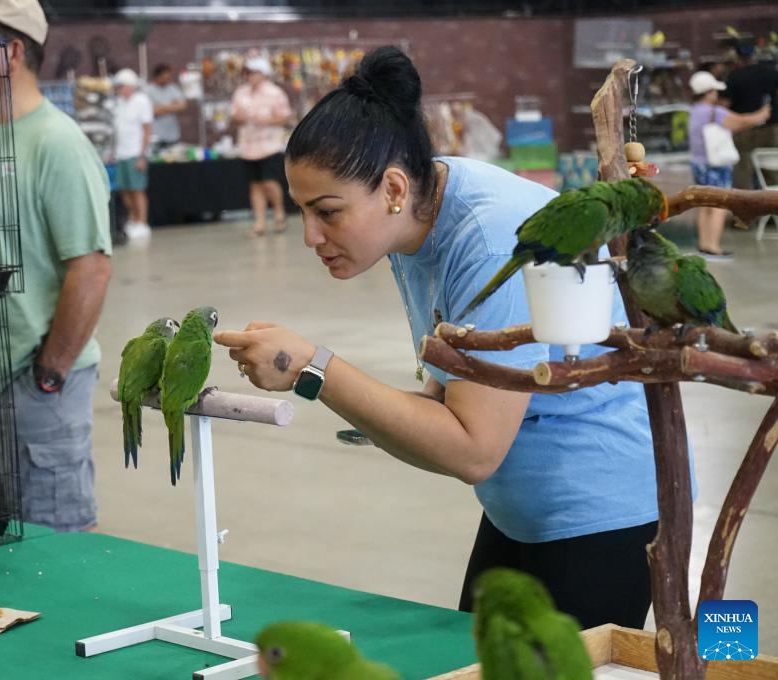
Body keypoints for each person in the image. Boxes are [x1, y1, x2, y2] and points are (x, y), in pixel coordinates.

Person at [214, 46, 662, 631]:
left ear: (393, 188)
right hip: (518, 509)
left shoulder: (491, 237)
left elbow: (473, 448)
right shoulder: (416, 214)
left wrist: (312, 367)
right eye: (302, 210)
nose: (310, 236)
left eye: (326, 212)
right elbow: (449, 391)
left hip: (594, 510)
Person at [0, 0, 113, 533]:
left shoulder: (58, 144)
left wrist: (50, 374)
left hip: (30, 381)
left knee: (49, 551)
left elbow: (91, 268)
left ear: (12, 50)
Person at [687, 70, 770, 260]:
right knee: (719, 205)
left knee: (704, 204)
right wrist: (761, 114)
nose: (716, 95)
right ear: (708, 92)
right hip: (715, 165)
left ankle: (704, 244)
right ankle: (713, 247)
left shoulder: (696, 111)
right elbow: (739, 122)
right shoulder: (713, 112)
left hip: (699, 164)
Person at [229, 56, 293, 237]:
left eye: (253, 72)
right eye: (247, 72)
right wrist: (241, 117)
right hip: (248, 146)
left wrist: (266, 120)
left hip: (269, 144)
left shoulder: (275, 93)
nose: (249, 76)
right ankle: (259, 223)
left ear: (263, 74)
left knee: (270, 183)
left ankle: (279, 212)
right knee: (255, 185)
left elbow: (285, 116)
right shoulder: (240, 93)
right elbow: (234, 116)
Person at [724, 43, 778, 190]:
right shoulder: (771, 73)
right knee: (771, 169)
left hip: (743, 129)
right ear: (754, 55)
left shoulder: (734, 77)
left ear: (738, 57)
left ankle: (745, 209)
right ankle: (773, 205)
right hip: (771, 129)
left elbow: (725, 105)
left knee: (742, 171)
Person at [111, 67, 153, 240]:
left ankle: (142, 222)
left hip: (135, 153)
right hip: (121, 153)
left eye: (122, 86)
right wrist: (113, 151)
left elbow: (147, 129)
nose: (119, 89)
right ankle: (133, 219)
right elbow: (116, 130)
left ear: (130, 86)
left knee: (137, 190)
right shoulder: (118, 103)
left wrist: (142, 155)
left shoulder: (142, 101)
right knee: (124, 190)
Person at [145, 63, 187, 154]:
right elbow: (152, 111)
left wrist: (161, 107)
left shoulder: (173, 88)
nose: (167, 80)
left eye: (168, 77)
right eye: (164, 77)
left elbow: (182, 106)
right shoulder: (148, 91)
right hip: (155, 136)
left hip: (173, 135)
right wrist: (172, 105)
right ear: (157, 77)